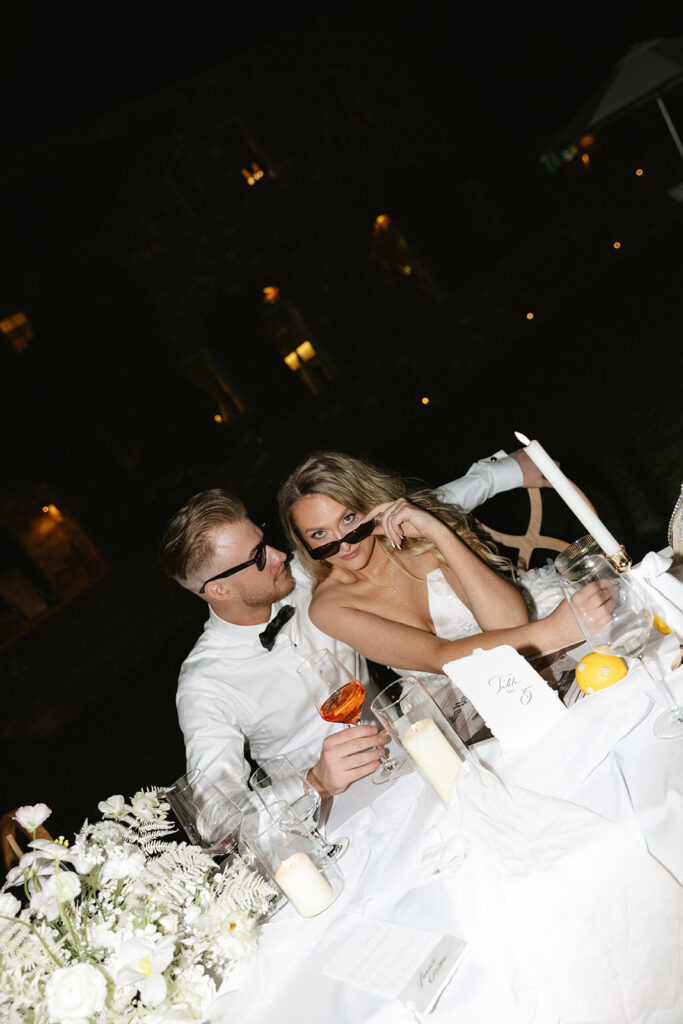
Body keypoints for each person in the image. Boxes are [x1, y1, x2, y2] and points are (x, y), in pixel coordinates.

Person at [159, 448, 555, 809]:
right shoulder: (206, 685)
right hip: (331, 812)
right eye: (258, 556)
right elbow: (216, 815)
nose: (279, 555)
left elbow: (388, 517)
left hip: (410, 753)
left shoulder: (302, 572)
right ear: (220, 589)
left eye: (266, 541)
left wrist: (503, 473)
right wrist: (313, 782)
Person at [277, 451, 586, 682]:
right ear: (305, 544)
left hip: (534, 650)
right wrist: (551, 633)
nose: (343, 544)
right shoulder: (329, 607)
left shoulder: (422, 532)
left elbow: (510, 626)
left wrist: (439, 532)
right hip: (460, 706)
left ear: (368, 506)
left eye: (348, 519)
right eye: (320, 535)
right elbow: (440, 658)